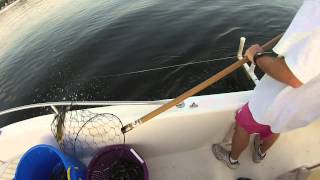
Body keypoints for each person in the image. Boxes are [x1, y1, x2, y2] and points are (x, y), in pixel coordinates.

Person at [212, 0, 320, 169]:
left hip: (277, 99)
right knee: (276, 127)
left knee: (243, 125)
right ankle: (260, 152)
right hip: (303, 107)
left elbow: (293, 76)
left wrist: (256, 55)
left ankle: (232, 160)